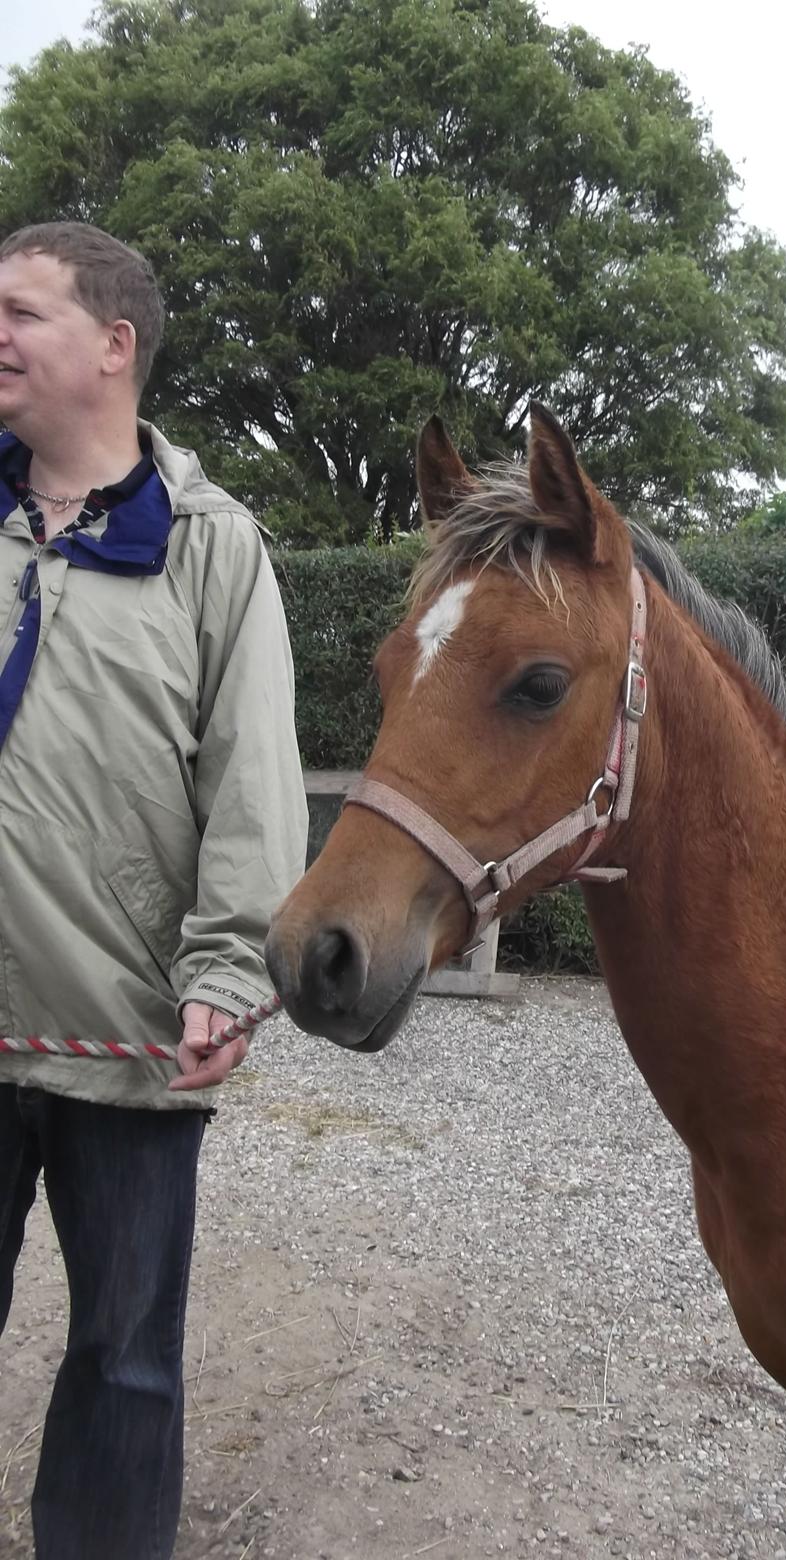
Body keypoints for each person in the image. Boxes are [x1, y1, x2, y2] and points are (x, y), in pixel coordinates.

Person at [0, 221, 307, 1558]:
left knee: (125, 1361)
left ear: (113, 345)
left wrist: (230, 973)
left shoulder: (212, 547)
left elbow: (253, 782)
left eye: (21, 312)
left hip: (127, 1038)